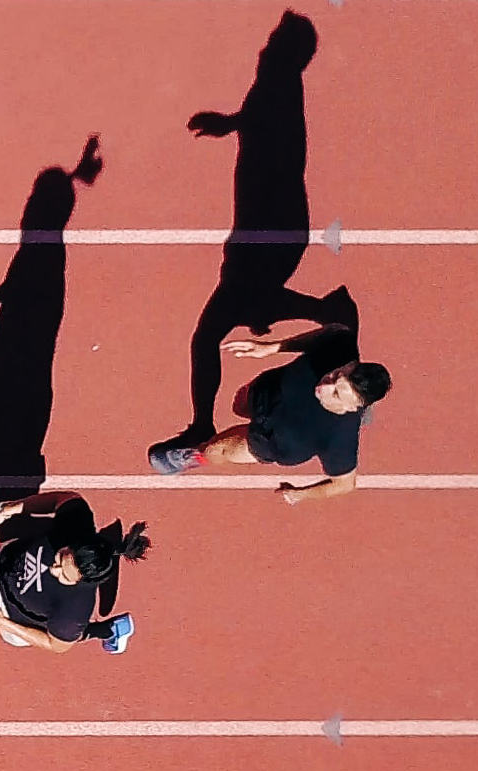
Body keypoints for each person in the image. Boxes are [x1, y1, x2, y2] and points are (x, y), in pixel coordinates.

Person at [145, 11, 357, 466]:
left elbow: (280, 146)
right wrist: (233, 123)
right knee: (245, 310)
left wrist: (238, 129)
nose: (264, 48)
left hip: (270, 230)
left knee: (212, 332)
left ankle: (327, 316)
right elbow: (267, 128)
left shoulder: (279, 87)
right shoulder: (276, 87)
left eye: (274, 41)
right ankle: (325, 314)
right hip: (270, 230)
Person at [0, 137, 103, 573]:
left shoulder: (45, 258)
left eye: (33, 202)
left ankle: (69, 557)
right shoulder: (39, 252)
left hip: (13, 395)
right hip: (13, 391)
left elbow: (28, 344)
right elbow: (20, 285)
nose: (26, 209)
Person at [148, 306, 390, 505]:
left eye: (336, 394)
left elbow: (345, 484)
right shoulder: (340, 345)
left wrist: (301, 494)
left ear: (353, 407)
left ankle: (196, 456)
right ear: (348, 365)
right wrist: (273, 347)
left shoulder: (340, 437)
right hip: (268, 391)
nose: (324, 387)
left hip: (272, 441)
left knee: (216, 450)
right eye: (334, 376)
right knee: (239, 405)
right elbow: (330, 333)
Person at [0, 492, 145, 653]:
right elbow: (64, 499)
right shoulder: (76, 525)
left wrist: (1, 621)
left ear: (83, 582)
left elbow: (57, 645)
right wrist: (6, 510)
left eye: (64, 575)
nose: (52, 568)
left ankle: (105, 630)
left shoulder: (76, 607)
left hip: (17, 617)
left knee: (26, 637)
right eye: (61, 557)